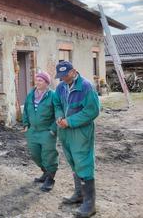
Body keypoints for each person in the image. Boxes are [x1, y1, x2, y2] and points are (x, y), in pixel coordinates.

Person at [54, 61, 100, 218]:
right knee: (73, 161)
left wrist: (70, 121)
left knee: (83, 162)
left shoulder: (86, 87)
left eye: (65, 75)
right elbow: (57, 103)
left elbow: (92, 111)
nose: (63, 79)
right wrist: (59, 116)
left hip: (81, 131)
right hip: (65, 131)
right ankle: (79, 194)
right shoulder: (60, 87)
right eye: (60, 77)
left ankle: (90, 204)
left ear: (73, 71)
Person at [22, 71, 58, 192]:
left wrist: (53, 129)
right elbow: (26, 110)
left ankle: (50, 179)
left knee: (49, 155)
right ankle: (45, 173)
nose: (37, 82)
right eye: (36, 80)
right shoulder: (31, 94)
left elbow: (59, 113)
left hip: (47, 131)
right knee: (35, 154)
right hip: (33, 131)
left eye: (40, 80)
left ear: (47, 83)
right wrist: (26, 124)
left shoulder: (53, 95)